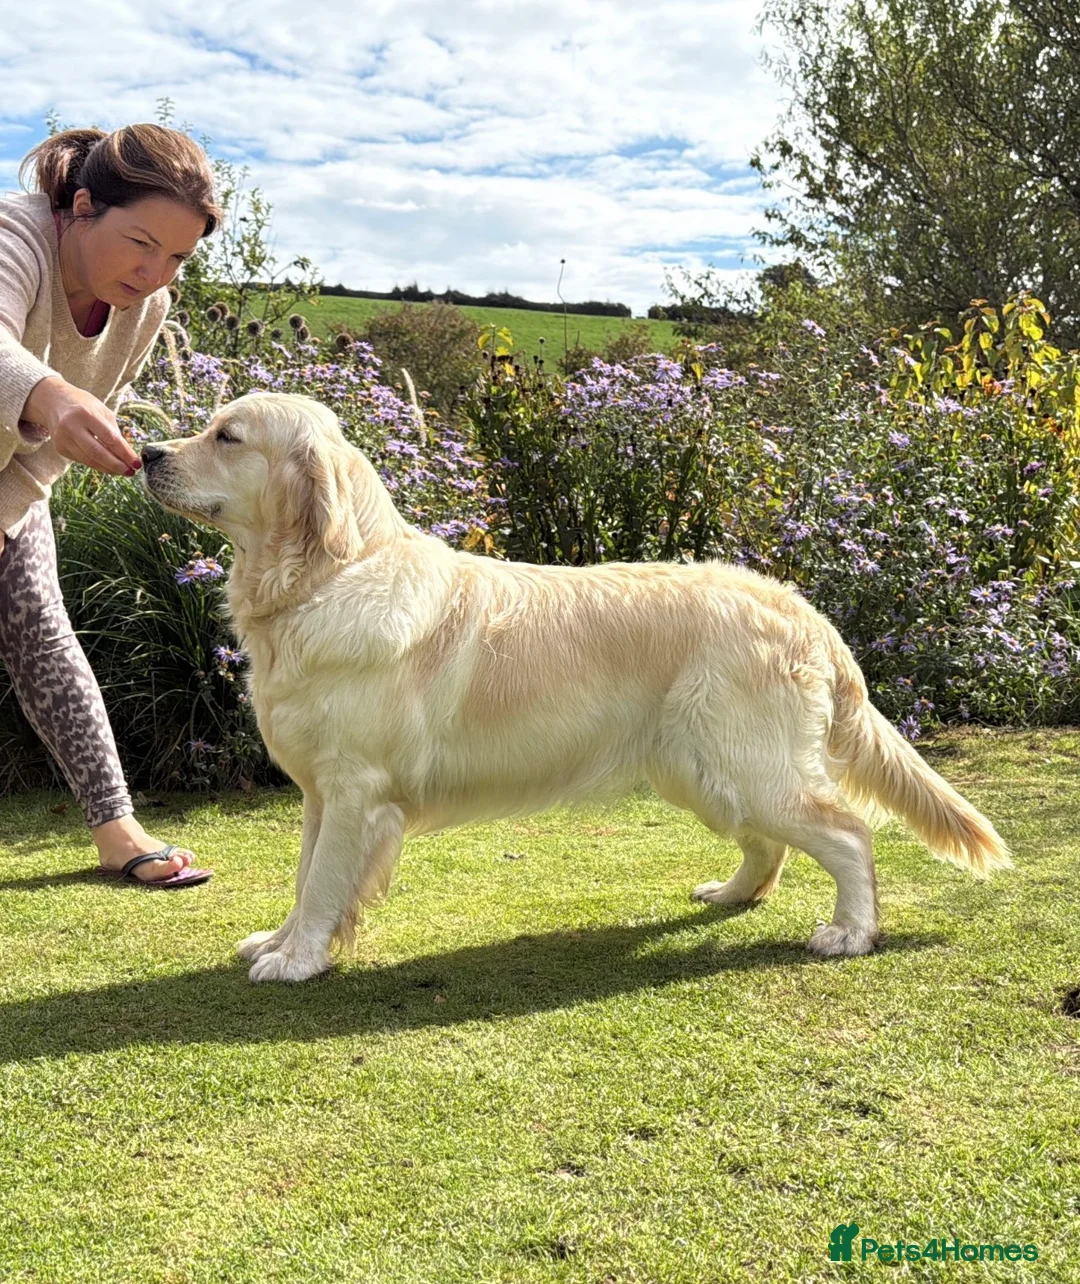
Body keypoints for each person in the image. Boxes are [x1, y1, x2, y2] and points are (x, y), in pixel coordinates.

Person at [0, 124, 221, 886]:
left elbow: (48, 443)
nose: (154, 271)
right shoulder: (14, 235)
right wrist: (52, 393)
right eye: (139, 241)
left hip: (8, 487)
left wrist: (5, 513)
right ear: (83, 205)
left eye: (177, 257)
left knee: (46, 640)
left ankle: (117, 831)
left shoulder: (143, 308)